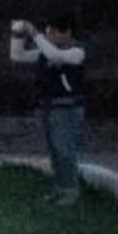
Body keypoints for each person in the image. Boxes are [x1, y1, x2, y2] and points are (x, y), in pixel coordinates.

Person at [9, 16, 88, 204]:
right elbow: (17, 56)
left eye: (53, 32)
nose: (49, 36)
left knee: (64, 149)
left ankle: (70, 190)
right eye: (48, 32)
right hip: (49, 106)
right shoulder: (45, 52)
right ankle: (59, 187)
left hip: (67, 107)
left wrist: (34, 33)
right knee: (54, 151)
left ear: (67, 32)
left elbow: (55, 56)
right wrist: (17, 35)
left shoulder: (76, 52)